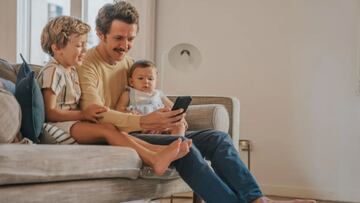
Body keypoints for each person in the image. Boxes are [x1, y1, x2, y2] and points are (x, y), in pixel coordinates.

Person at [77, 2, 316, 203]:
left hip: (148, 130)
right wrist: (143, 120)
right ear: (100, 34)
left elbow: (149, 96)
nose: (125, 45)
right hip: (121, 136)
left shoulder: (129, 63)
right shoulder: (87, 64)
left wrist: (169, 117)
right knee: (183, 147)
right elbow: (96, 114)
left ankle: (256, 199)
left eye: (130, 38)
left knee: (218, 138)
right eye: (118, 38)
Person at [37, 16, 191, 176]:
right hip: (57, 127)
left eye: (84, 44)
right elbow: (49, 113)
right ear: (56, 48)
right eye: (78, 45)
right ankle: (154, 158)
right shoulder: (53, 71)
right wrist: (83, 114)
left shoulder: (71, 70)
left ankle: (158, 152)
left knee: (113, 130)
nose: (84, 50)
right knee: (108, 131)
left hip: (73, 123)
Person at [116, 59, 187, 136]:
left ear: (156, 81)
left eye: (150, 79)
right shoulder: (129, 94)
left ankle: (178, 142)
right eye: (140, 78)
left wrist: (180, 118)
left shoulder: (159, 94)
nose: (146, 81)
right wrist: (129, 113)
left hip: (162, 125)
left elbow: (173, 108)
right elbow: (119, 110)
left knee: (179, 125)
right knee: (131, 131)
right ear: (131, 82)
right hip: (142, 127)